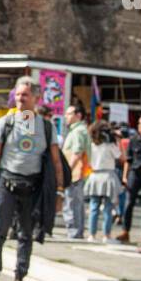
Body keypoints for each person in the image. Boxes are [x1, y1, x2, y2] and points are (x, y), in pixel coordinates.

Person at [0, 77, 63, 281]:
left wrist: (59, 191)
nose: (19, 98)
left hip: (33, 187)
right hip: (6, 184)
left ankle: (19, 280)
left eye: (25, 95)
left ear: (36, 98)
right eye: (17, 94)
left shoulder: (46, 127)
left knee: (26, 235)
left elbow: (56, 161)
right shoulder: (4, 123)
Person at [116, 115, 141, 243]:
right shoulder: (134, 139)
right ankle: (125, 231)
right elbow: (128, 160)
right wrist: (125, 176)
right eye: (139, 124)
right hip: (135, 172)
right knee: (129, 203)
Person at [83, 120, 121, 242]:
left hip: (94, 175)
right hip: (108, 175)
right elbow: (120, 156)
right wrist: (118, 141)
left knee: (94, 206)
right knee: (108, 208)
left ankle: (91, 235)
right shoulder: (110, 146)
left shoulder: (91, 146)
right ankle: (106, 235)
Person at [60, 101, 90, 239]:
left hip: (75, 173)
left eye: (69, 113)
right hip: (79, 173)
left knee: (71, 203)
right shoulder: (80, 130)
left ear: (78, 115)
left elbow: (77, 153)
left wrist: (67, 170)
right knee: (77, 203)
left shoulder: (78, 131)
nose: (66, 116)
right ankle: (77, 231)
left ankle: (74, 232)